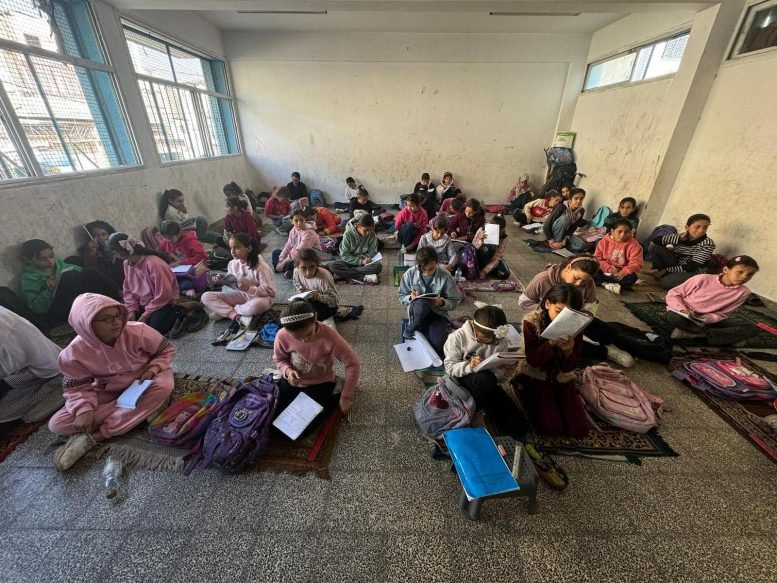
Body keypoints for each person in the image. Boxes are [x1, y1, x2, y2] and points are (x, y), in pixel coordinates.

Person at [48, 293, 175, 471]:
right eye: (106, 319)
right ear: (85, 324)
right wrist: (84, 410)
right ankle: (143, 409)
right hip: (108, 389)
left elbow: (166, 350)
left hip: (145, 380)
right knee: (58, 424)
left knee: (164, 387)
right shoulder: (73, 354)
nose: (115, 322)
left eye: (117, 316)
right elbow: (76, 387)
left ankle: (97, 436)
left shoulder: (137, 331)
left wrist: (152, 370)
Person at [518, 256, 634, 367]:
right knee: (564, 343)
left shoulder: (589, 283)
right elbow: (523, 301)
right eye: (576, 278)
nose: (579, 284)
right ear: (568, 268)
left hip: (575, 318)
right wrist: (546, 311)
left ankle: (608, 343)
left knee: (609, 332)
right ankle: (606, 352)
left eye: (584, 281)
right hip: (548, 318)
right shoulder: (542, 279)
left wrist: (580, 318)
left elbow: (590, 307)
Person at [272, 300, 360, 436]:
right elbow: (280, 359)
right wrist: (288, 371)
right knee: (272, 418)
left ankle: (334, 395)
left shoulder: (329, 335)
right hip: (292, 382)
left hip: (320, 383)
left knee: (295, 431)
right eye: (297, 338)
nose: (304, 341)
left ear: (315, 319)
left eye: (308, 334)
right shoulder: (282, 335)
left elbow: (353, 363)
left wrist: (346, 397)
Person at [515, 283, 588, 438]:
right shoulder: (531, 322)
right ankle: (526, 393)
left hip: (562, 376)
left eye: (569, 315)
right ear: (548, 304)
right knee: (552, 428)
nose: (562, 319)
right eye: (559, 311)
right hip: (536, 375)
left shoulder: (576, 327)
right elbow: (533, 361)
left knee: (579, 430)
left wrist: (568, 351)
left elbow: (572, 367)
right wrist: (550, 343)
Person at [443, 306, 527, 440]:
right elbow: (450, 368)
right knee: (485, 379)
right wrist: (469, 366)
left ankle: (483, 408)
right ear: (474, 328)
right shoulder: (456, 338)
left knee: (520, 427)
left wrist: (505, 372)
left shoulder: (500, 341)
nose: (490, 342)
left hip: (488, 384)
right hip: (461, 381)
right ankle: (474, 411)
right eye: (485, 338)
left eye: (494, 339)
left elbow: (497, 377)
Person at [19, 239, 120, 326]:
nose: (50, 262)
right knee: (69, 276)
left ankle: (118, 298)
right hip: (59, 310)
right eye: (42, 259)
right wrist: (50, 289)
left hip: (80, 299)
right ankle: (88, 314)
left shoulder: (61, 265)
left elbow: (85, 277)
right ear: (28, 260)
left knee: (89, 271)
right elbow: (38, 308)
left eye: (51, 256)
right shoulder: (29, 278)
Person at [665, 255, 760, 346]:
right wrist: (682, 309)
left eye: (750, 274)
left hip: (708, 320)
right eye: (740, 272)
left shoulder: (744, 292)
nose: (744, 277)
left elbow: (723, 313)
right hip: (685, 314)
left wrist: (707, 319)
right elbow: (673, 294)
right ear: (726, 270)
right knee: (674, 318)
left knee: (752, 329)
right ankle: (718, 337)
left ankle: (697, 334)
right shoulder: (702, 279)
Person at [0, 306, 63, 425]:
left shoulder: (6, 332)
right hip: (17, 371)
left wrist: (4, 385)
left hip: (43, 373)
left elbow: (47, 366)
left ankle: (60, 389)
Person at [109, 233, 181, 335]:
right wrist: (132, 310)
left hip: (163, 302)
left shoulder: (153, 264)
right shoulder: (127, 264)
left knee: (154, 328)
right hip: (145, 303)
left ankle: (181, 309)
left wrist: (145, 315)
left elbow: (164, 295)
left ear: (117, 253)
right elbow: (128, 289)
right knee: (126, 324)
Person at [398, 247, 462, 356]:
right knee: (422, 304)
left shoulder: (446, 276)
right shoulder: (410, 273)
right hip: (418, 311)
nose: (427, 273)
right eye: (423, 269)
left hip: (437, 313)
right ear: (417, 265)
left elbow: (455, 301)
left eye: (431, 269)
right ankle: (414, 325)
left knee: (439, 345)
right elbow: (401, 296)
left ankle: (424, 328)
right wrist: (410, 297)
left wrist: (442, 302)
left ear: (437, 263)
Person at [201, 233, 275, 326]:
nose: (232, 251)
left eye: (237, 248)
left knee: (255, 306)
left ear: (249, 248)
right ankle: (235, 315)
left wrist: (249, 288)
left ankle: (227, 312)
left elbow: (269, 291)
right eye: (231, 247)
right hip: (242, 295)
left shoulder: (261, 266)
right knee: (205, 296)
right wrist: (222, 279)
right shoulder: (232, 263)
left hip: (261, 298)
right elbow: (233, 283)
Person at [645, 213, 716, 289]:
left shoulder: (708, 244)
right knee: (655, 247)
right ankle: (659, 271)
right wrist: (680, 239)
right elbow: (655, 240)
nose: (701, 231)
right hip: (677, 264)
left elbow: (692, 266)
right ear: (687, 227)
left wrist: (666, 270)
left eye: (705, 228)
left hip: (693, 271)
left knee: (665, 283)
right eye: (697, 227)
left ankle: (662, 274)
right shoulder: (681, 236)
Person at [327, 213, 382, 284]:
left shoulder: (372, 235)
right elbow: (344, 256)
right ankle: (363, 277)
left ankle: (344, 274)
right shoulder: (348, 234)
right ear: (359, 226)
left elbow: (373, 252)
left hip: (364, 263)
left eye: (370, 230)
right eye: (365, 230)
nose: (368, 233)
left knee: (378, 266)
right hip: (349, 262)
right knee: (332, 265)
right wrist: (360, 261)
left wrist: (364, 261)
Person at [593, 219, 644, 294]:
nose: (623, 235)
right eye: (619, 231)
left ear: (630, 232)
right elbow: (597, 258)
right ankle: (606, 285)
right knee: (589, 269)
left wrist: (623, 272)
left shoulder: (635, 246)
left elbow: (636, 263)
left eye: (626, 232)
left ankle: (603, 282)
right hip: (604, 270)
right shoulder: (603, 242)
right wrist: (609, 268)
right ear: (612, 231)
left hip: (620, 274)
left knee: (632, 278)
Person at [272, 210, 322, 279]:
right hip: (296, 253)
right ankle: (286, 269)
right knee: (276, 252)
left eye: (301, 220)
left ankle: (286, 269)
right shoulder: (293, 230)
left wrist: (283, 263)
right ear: (292, 221)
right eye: (296, 220)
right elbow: (288, 245)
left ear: (305, 220)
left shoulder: (309, 233)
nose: (299, 223)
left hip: (309, 255)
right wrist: (281, 259)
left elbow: (300, 250)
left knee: (294, 260)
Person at [292, 249, 339, 322]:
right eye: (303, 268)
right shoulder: (296, 272)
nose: (308, 273)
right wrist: (301, 290)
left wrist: (317, 296)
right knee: (294, 305)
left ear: (317, 265)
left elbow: (334, 302)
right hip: (308, 300)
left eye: (312, 267)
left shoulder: (324, 278)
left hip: (325, 306)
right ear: (298, 267)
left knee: (310, 312)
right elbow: (297, 286)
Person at [78, 220, 124, 286]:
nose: (100, 238)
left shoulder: (117, 246)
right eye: (96, 236)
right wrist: (92, 251)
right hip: (105, 284)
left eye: (103, 234)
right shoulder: (89, 251)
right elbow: (91, 272)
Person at [472, 214, 509, 280]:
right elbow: (472, 248)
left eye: (500, 231)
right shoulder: (482, 229)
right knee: (488, 247)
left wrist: (486, 270)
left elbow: (497, 256)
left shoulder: (503, 237)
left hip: (490, 260)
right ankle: (478, 268)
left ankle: (485, 270)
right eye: (497, 231)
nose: (498, 233)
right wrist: (480, 240)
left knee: (505, 274)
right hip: (478, 258)